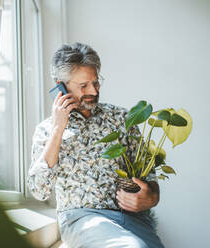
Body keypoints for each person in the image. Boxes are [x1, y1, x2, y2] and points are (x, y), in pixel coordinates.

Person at [27, 42, 165, 248]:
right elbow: (39, 190)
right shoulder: (46, 130)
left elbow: (151, 180)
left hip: (134, 220)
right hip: (83, 219)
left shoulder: (122, 118)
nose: (93, 90)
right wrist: (58, 129)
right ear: (60, 86)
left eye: (96, 82)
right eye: (83, 86)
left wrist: (150, 198)